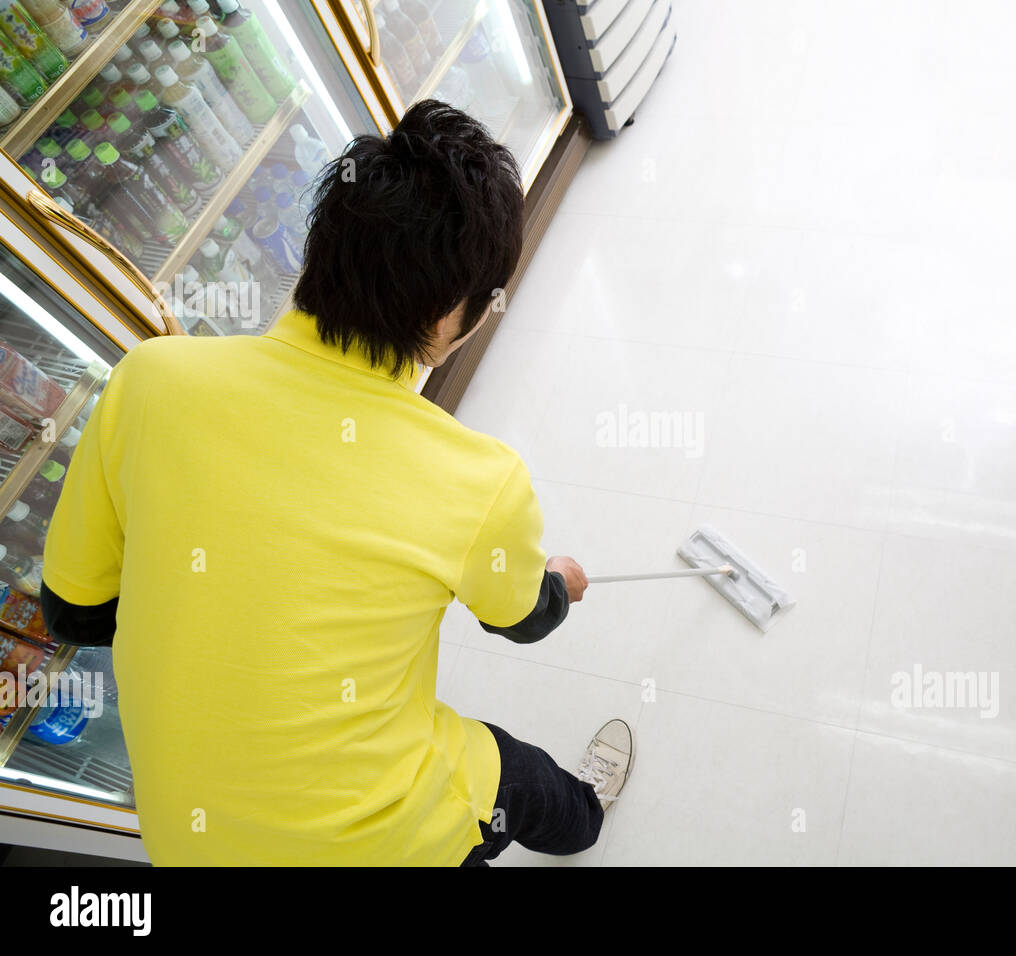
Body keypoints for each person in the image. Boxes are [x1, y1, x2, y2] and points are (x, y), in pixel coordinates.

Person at [38, 100, 633, 866]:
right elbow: (522, 617)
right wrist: (557, 582)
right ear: (458, 315)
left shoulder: (149, 379)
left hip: (183, 836)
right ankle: (587, 816)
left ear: (319, 245)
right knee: (520, 778)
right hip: (377, 839)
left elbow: (77, 612)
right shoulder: (480, 480)